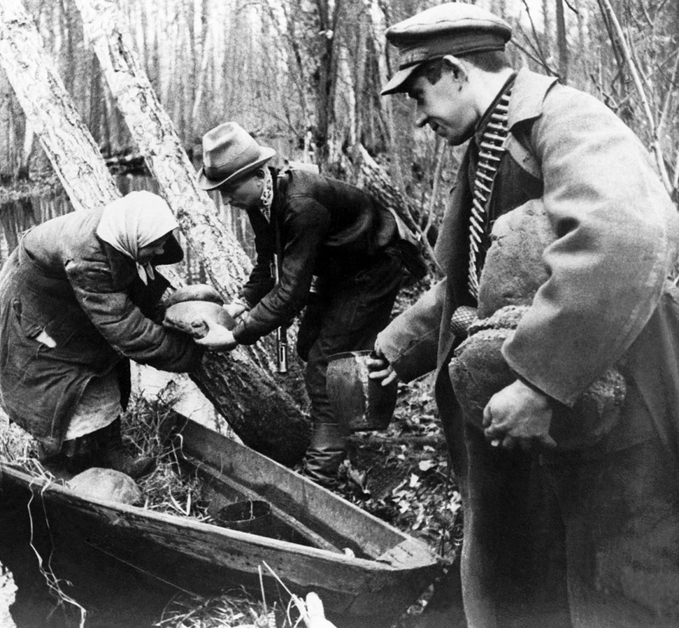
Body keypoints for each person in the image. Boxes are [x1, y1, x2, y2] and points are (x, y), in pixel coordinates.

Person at [370, 3, 679, 626]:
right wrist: (396, 347)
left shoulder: (566, 120)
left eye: (420, 93)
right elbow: (475, 278)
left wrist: (540, 379)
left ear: (455, 71)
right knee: (543, 569)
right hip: (570, 401)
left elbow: (625, 234)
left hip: (622, 398)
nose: (419, 115)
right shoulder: (491, 139)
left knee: (623, 579)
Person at [195, 122, 423, 486]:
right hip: (338, 268)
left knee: (325, 364)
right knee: (308, 345)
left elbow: (291, 294)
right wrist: (241, 303)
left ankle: (322, 472)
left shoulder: (301, 204)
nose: (226, 200)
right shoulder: (260, 200)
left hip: (373, 267)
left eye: (228, 189)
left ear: (256, 175)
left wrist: (237, 336)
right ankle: (343, 416)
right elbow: (268, 265)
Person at [0, 191, 204, 478]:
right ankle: (56, 464)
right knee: (57, 380)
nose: (161, 252)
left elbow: (132, 293)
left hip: (68, 300)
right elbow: (128, 331)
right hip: (34, 308)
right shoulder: (88, 257)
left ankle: (112, 452)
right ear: (136, 240)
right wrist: (192, 355)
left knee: (101, 361)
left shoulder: (125, 228)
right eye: (156, 246)